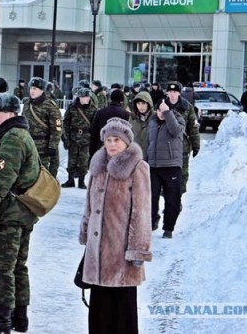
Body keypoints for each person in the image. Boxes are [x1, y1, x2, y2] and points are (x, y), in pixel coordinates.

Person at [0, 93, 40, 334]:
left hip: (10, 214)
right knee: (18, 266)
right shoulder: (13, 135)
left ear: (11, 114)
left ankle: (3, 315)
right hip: (21, 212)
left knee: (2, 267)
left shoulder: (13, 139)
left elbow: (0, 179)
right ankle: (20, 316)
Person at [79, 118, 152, 334]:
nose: (112, 145)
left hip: (122, 254)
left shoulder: (137, 168)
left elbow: (142, 213)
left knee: (122, 312)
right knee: (100, 310)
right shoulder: (98, 167)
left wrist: (138, 249)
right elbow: (89, 207)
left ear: (126, 143)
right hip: (98, 252)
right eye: (108, 140)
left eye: (117, 140)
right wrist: (86, 233)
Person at [147, 89, 186, 239]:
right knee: (151, 197)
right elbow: (149, 143)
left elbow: (176, 131)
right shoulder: (152, 122)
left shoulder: (177, 119)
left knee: (172, 199)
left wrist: (168, 113)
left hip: (171, 165)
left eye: (164, 111)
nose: (161, 114)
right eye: (159, 111)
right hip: (154, 166)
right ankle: (151, 223)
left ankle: (168, 227)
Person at [21, 77, 62, 178]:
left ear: (42, 90)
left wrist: (53, 146)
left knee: (42, 175)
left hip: (43, 147)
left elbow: (57, 128)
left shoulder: (50, 105)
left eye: (35, 89)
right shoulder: (27, 104)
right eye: (31, 88)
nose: (32, 91)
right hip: (28, 145)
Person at [164, 82, 200, 196]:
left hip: (182, 147)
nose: (172, 95)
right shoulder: (162, 105)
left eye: (175, 92)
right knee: (166, 175)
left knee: (181, 175)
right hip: (165, 147)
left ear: (179, 93)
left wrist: (196, 145)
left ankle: (177, 199)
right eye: (170, 92)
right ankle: (168, 201)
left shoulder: (187, 107)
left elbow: (192, 127)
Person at [62, 88, 97, 188]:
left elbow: (95, 125)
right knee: (72, 160)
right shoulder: (72, 107)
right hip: (73, 137)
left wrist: (92, 139)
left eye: (88, 96)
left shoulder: (93, 109)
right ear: (80, 97)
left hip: (86, 138)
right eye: (85, 97)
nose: (87, 99)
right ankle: (70, 180)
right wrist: (66, 138)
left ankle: (81, 181)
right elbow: (66, 123)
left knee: (84, 160)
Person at [89, 89, 129, 157]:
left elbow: (93, 132)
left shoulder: (101, 112)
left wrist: (92, 151)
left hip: (102, 146)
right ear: (121, 100)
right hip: (119, 148)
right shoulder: (125, 114)